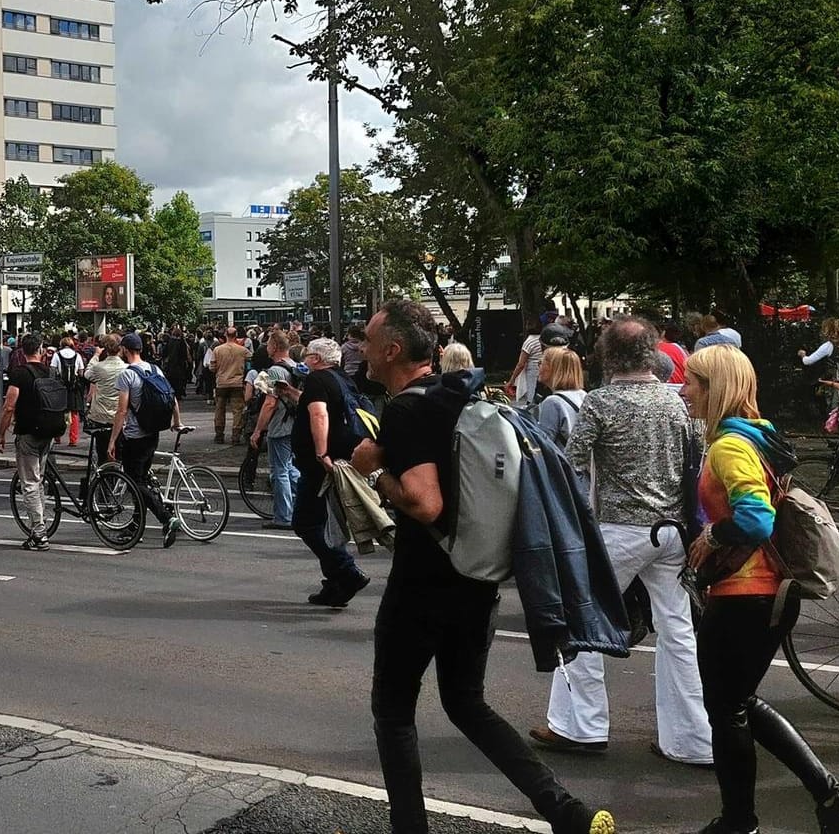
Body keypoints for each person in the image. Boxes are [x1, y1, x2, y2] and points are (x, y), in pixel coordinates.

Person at [360, 299, 615, 834]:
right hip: (477, 579)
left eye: (368, 339)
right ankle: (564, 810)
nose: (361, 348)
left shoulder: (406, 409)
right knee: (467, 703)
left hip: (422, 583)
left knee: (393, 711)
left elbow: (425, 502)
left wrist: (376, 475)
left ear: (393, 349)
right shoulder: (461, 396)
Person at [677, 345, 839, 834]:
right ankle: (835, 800)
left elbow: (756, 517)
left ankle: (741, 822)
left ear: (715, 388)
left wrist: (711, 534)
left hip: (747, 594)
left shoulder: (729, 445)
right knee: (737, 703)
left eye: (693, 383)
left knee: (726, 711)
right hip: (765, 594)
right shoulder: (761, 435)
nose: (684, 391)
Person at [531, 317, 711, 768]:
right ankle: (692, 739)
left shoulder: (601, 402)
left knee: (583, 621)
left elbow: (569, 462)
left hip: (620, 528)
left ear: (607, 355)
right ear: (651, 352)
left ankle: (581, 726)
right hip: (672, 531)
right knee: (678, 634)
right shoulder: (676, 404)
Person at [291, 336, 369, 607]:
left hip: (321, 464)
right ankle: (335, 585)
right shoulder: (342, 379)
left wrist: (321, 452)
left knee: (305, 522)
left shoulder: (316, 379)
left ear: (316, 359)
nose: (304, 359)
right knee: (326, 523)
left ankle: (346, 571)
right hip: (345, 456)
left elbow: (320, 414)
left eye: (307, 355)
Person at [105, 332, 187, 546]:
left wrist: (113, 439)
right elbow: (172, 397)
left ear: (124, 350)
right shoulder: (154, 369)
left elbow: (121, 411)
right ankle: (135, 527)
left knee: (135, 482)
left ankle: (166, 518)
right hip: (153, 433)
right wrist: (176, 421)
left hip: (135, 435)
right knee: (140, 480)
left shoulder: (127, 375)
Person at [0, 333, 60, 550]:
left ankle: (40, 533)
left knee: (30, 483)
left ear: (22, 351)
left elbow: (9, 406)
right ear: (41, 349)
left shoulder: (19, 374)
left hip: (28, 433)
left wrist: (1, 434)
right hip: (49, 431)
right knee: (39, 479)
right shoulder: (51, 372)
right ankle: (39, 526)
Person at [247, 332, 303, 529]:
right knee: (290, 469)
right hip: (295, 424)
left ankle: (283, 517)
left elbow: (270, 403)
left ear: (275, 346)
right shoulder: (296, 366)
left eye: (269, 343)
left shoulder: (274, 371)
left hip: (280, 425)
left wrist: (258, 430)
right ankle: (309, 503)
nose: (266, 347)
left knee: (279, 472)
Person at [533, 347, 589, 453]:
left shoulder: (552, 402)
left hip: (562, 466)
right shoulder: (584, 395)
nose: (538, 368)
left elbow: (544, 444)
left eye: (541, 362)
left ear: (553, 368)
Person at [82, 335, 126, 470]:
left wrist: (96, 356)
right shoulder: (126, 368)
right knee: (119, 452)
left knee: (102, 453)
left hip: (100, 416)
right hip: (119, 416)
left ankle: (103, 481)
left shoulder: (99, 367)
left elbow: (87, 374)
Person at [209, 328, 249, 445]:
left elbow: (212, 367)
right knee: (237, 410)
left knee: (219, 409)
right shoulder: (242, 350)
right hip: (237, 383)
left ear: (226, 335)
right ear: (236, 335)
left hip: (221, 383)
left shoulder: (217, 349)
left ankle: (219, 435)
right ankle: (235, 436)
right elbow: (250, 359)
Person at [53, 334, 87, 447]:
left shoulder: (57, 355)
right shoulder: (77, 356)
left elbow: (53, 371)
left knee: (59, 412)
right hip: (74, 388)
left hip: (60, 387)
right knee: (74, 413)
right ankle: (73, 439)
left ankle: (57, 437)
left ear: (61, 345)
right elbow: (81, 372)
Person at [509, 316, 545, 411]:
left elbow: (521, 364)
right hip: (544, 371)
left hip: (532, 372)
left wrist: (512, 380)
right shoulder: (543, 340)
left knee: (532, 400)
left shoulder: (529, 342)